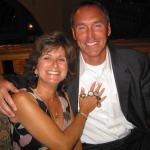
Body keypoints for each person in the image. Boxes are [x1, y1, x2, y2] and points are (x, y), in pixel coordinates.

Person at [0, 0, 150, 149]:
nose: (90, 36)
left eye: (97, 26)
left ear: (108, 29)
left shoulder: (134, 62)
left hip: (134, 140)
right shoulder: (65, 65)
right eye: (82, 28)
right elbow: (28, 80)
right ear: (74, 33)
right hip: (89, 146)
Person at [5, 31, 105, 150]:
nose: (55, 65)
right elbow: (63, 146)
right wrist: (84, 111)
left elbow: (75, 141)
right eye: (47, 58)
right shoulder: (22, 99)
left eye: (61, 59)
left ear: (67, 68)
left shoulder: (63, 96)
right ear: (35, 67)